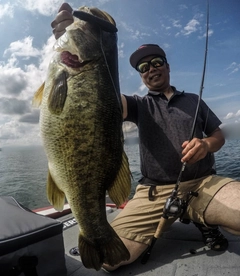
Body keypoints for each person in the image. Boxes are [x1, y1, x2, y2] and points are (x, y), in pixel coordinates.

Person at [51, 3, 240, 272]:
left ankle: (204, 219)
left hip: (204, 182)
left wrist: (206, 144)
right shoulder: (138, 104)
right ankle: (179, 219)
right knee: (108, 259)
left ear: (167, 66)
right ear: (141, 76)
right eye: (143, 67)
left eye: (156, 62)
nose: (151, 69)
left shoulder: (194, 101)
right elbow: (99, 98)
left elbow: (218, 135)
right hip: (153, 193)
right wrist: (65, 43)